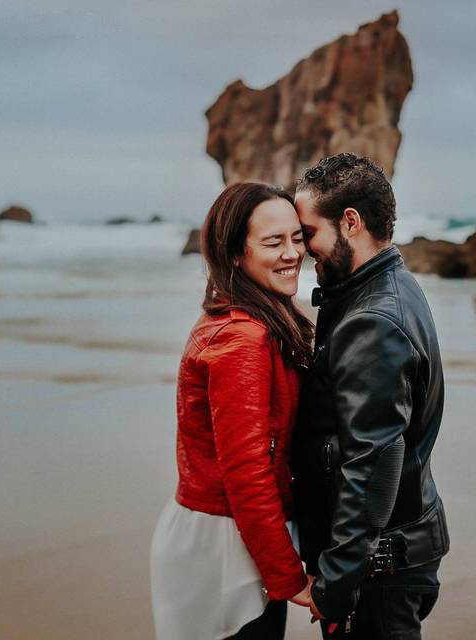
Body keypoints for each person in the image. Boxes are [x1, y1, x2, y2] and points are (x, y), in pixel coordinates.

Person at [291, 153, 450, 639]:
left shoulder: (372, 321)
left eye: (307, 233)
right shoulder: (388, 286)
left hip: (379, 574)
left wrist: (338, 583)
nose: (301, 251)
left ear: (351, 223)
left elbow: (371, 462)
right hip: (392, 554)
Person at [150, 182, 315, 640]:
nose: (291, 253)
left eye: (297, 238)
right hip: (224, 546)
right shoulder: (242, 339)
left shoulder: (244, 317)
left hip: (226, 532)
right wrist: (289, 576)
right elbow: (246, 471)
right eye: (273, 242)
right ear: (235, 254)